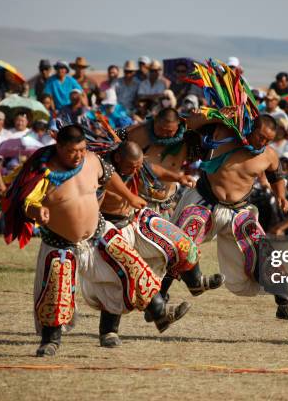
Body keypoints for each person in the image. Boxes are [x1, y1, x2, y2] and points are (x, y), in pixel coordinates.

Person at [2, 123, 191, 356]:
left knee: (135, 267)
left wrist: (130, 197)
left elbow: (109, 176)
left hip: (98, 231)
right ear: (59, 147)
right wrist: (36, 212)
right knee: (56, 291)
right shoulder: (44, 170)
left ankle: (159, 313)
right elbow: (27, 201)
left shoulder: (92, 160)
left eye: (81, 149)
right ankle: (51, 340)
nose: (78, 155)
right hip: (61, 243)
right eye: (72, 151)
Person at [171, 115, 288, 324]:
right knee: (178, 245)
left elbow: (276, 175)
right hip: (204, 201)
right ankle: (158, 301)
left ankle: (286, 303)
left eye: (268, 140)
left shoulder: (268, 155)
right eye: (260, 137)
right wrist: (215, 115)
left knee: (263, 251)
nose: (263, 143)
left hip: (239, 210)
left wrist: (280, 195)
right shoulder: (223, 134)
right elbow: (190, 124)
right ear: (251, 128)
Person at [95, 141, 224, 346]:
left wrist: (179, 177)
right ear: (118, 158)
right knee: (122, 275)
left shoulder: (135, 164)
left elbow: (151, 168)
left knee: (182, 242)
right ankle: (109, 331)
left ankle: (195, 281)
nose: (137, 170)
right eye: (132, 167)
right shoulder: (100, 169)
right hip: (108, 227)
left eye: (138, 166)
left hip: (136, 218)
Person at [117, 107, 201, 218]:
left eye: (170, 131)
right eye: (160, 129)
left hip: (163, 205)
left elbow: (210, 145)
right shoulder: (137, 133)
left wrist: (200, 120)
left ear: (178, 125)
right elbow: (115, 141)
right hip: (135, 199)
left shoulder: (189, 140)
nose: (164, 134)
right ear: (155, 120)